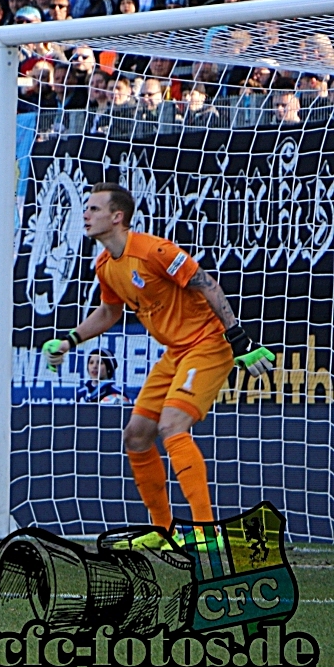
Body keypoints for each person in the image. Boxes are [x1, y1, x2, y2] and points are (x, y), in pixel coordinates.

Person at [41, 184, 275, 535]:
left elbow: (207, 283)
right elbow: (108, 312)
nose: (85, 214)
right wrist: (70, 340)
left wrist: (237, 337)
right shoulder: (105, 265)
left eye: (93, 209)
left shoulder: (155, 251)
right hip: (176, 352)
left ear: (117, 217)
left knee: (171, 426)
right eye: (86, 208)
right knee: (136, 435)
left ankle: (205, 531)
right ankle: (163, 531)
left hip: (208, 343)